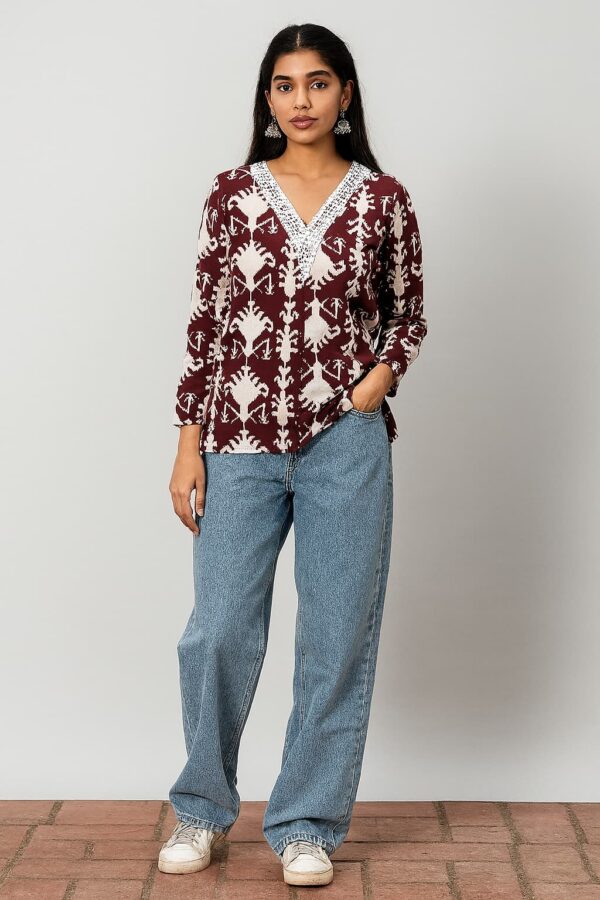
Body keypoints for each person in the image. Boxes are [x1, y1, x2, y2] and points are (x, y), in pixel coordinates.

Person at [159, 22, 427, 888]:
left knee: (336, 637)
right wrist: (189, 443)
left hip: (345, 445)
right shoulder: (233, 195)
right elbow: (206, 324)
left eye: (317, 82)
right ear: (267, 98)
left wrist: (376, 382)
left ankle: (306, 823)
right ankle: (202, 810)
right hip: (236, 441)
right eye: (284, 84)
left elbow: (407, 314)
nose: (300, 100)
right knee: (218, 631)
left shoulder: (382, 199)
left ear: (345, 93)